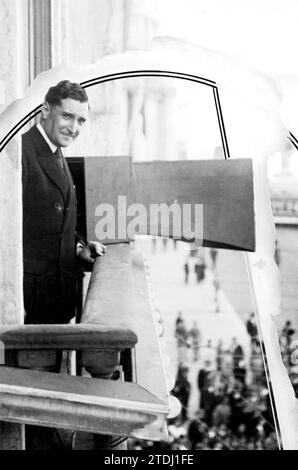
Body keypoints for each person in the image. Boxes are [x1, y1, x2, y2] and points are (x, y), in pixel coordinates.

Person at [22, 80, 106, 326]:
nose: (74, 128)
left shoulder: (54, 150)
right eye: (67, 116)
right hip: (31, 309)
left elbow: (55, 224)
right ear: (46, 110)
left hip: (55, 300)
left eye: (81, 120)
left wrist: (79, 246)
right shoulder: (23, 152)